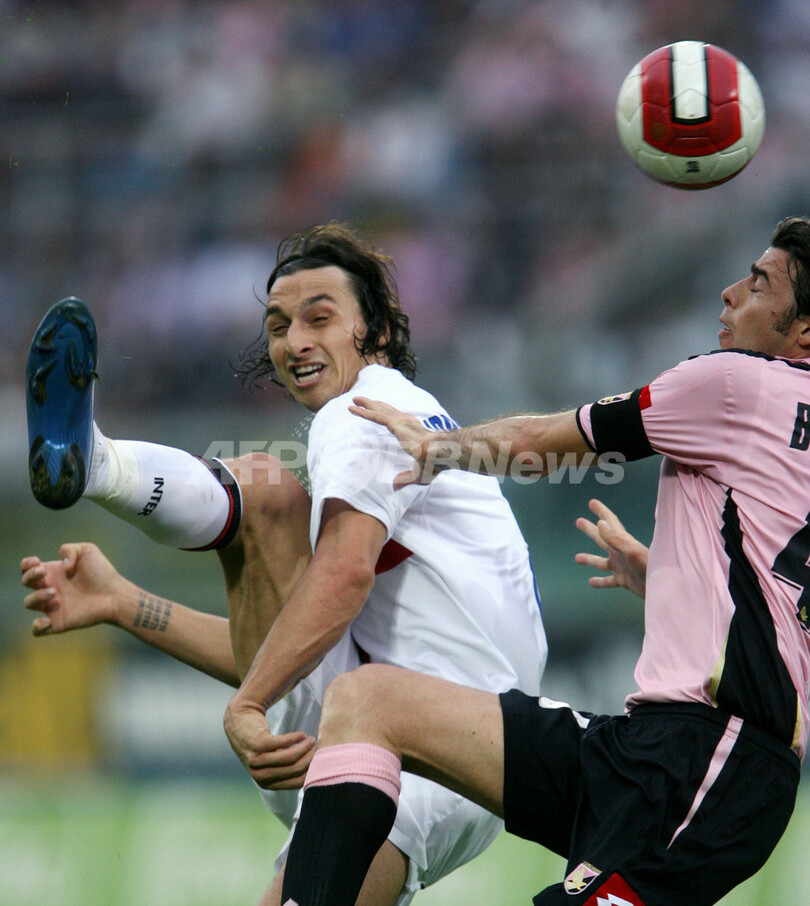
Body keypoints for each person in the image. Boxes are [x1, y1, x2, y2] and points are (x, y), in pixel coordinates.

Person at [273, 216, 810, 906]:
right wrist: (674, 585)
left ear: (804, 332)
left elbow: (540, 443)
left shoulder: (738, 383)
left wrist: (440, 448)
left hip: (704, 768)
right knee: (366, 700)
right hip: (660, 754)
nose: (731, 292)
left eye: (759, 284)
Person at [21, 223, 549, 906]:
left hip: (432, 750)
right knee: (269, 498)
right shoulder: (396, 425)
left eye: (318, 318)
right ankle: (95, 463)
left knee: (268, 492)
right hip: (423, 738)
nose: (293, 340)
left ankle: (98, 465)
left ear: (377, 333)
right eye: (278, 325)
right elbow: (286, 647)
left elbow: (344, 575)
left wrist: (249, 705)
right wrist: (127, 605)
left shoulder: (368, 411)